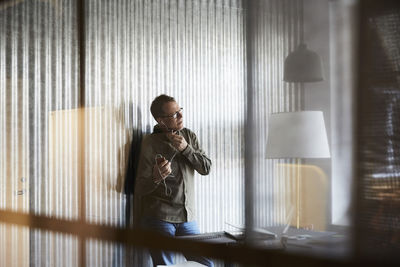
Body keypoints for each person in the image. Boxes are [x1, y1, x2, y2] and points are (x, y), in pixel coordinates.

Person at [134, 94, 214, 267]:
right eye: (174, 115)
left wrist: (186, 149)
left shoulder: (189, 136)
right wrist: (156, 177)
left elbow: (206, 168)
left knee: (206, 264)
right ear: (160, 120)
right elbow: (139, 188)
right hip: (159, 219)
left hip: (187, 218)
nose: (181, 117)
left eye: (180, 111)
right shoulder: (149, 143)